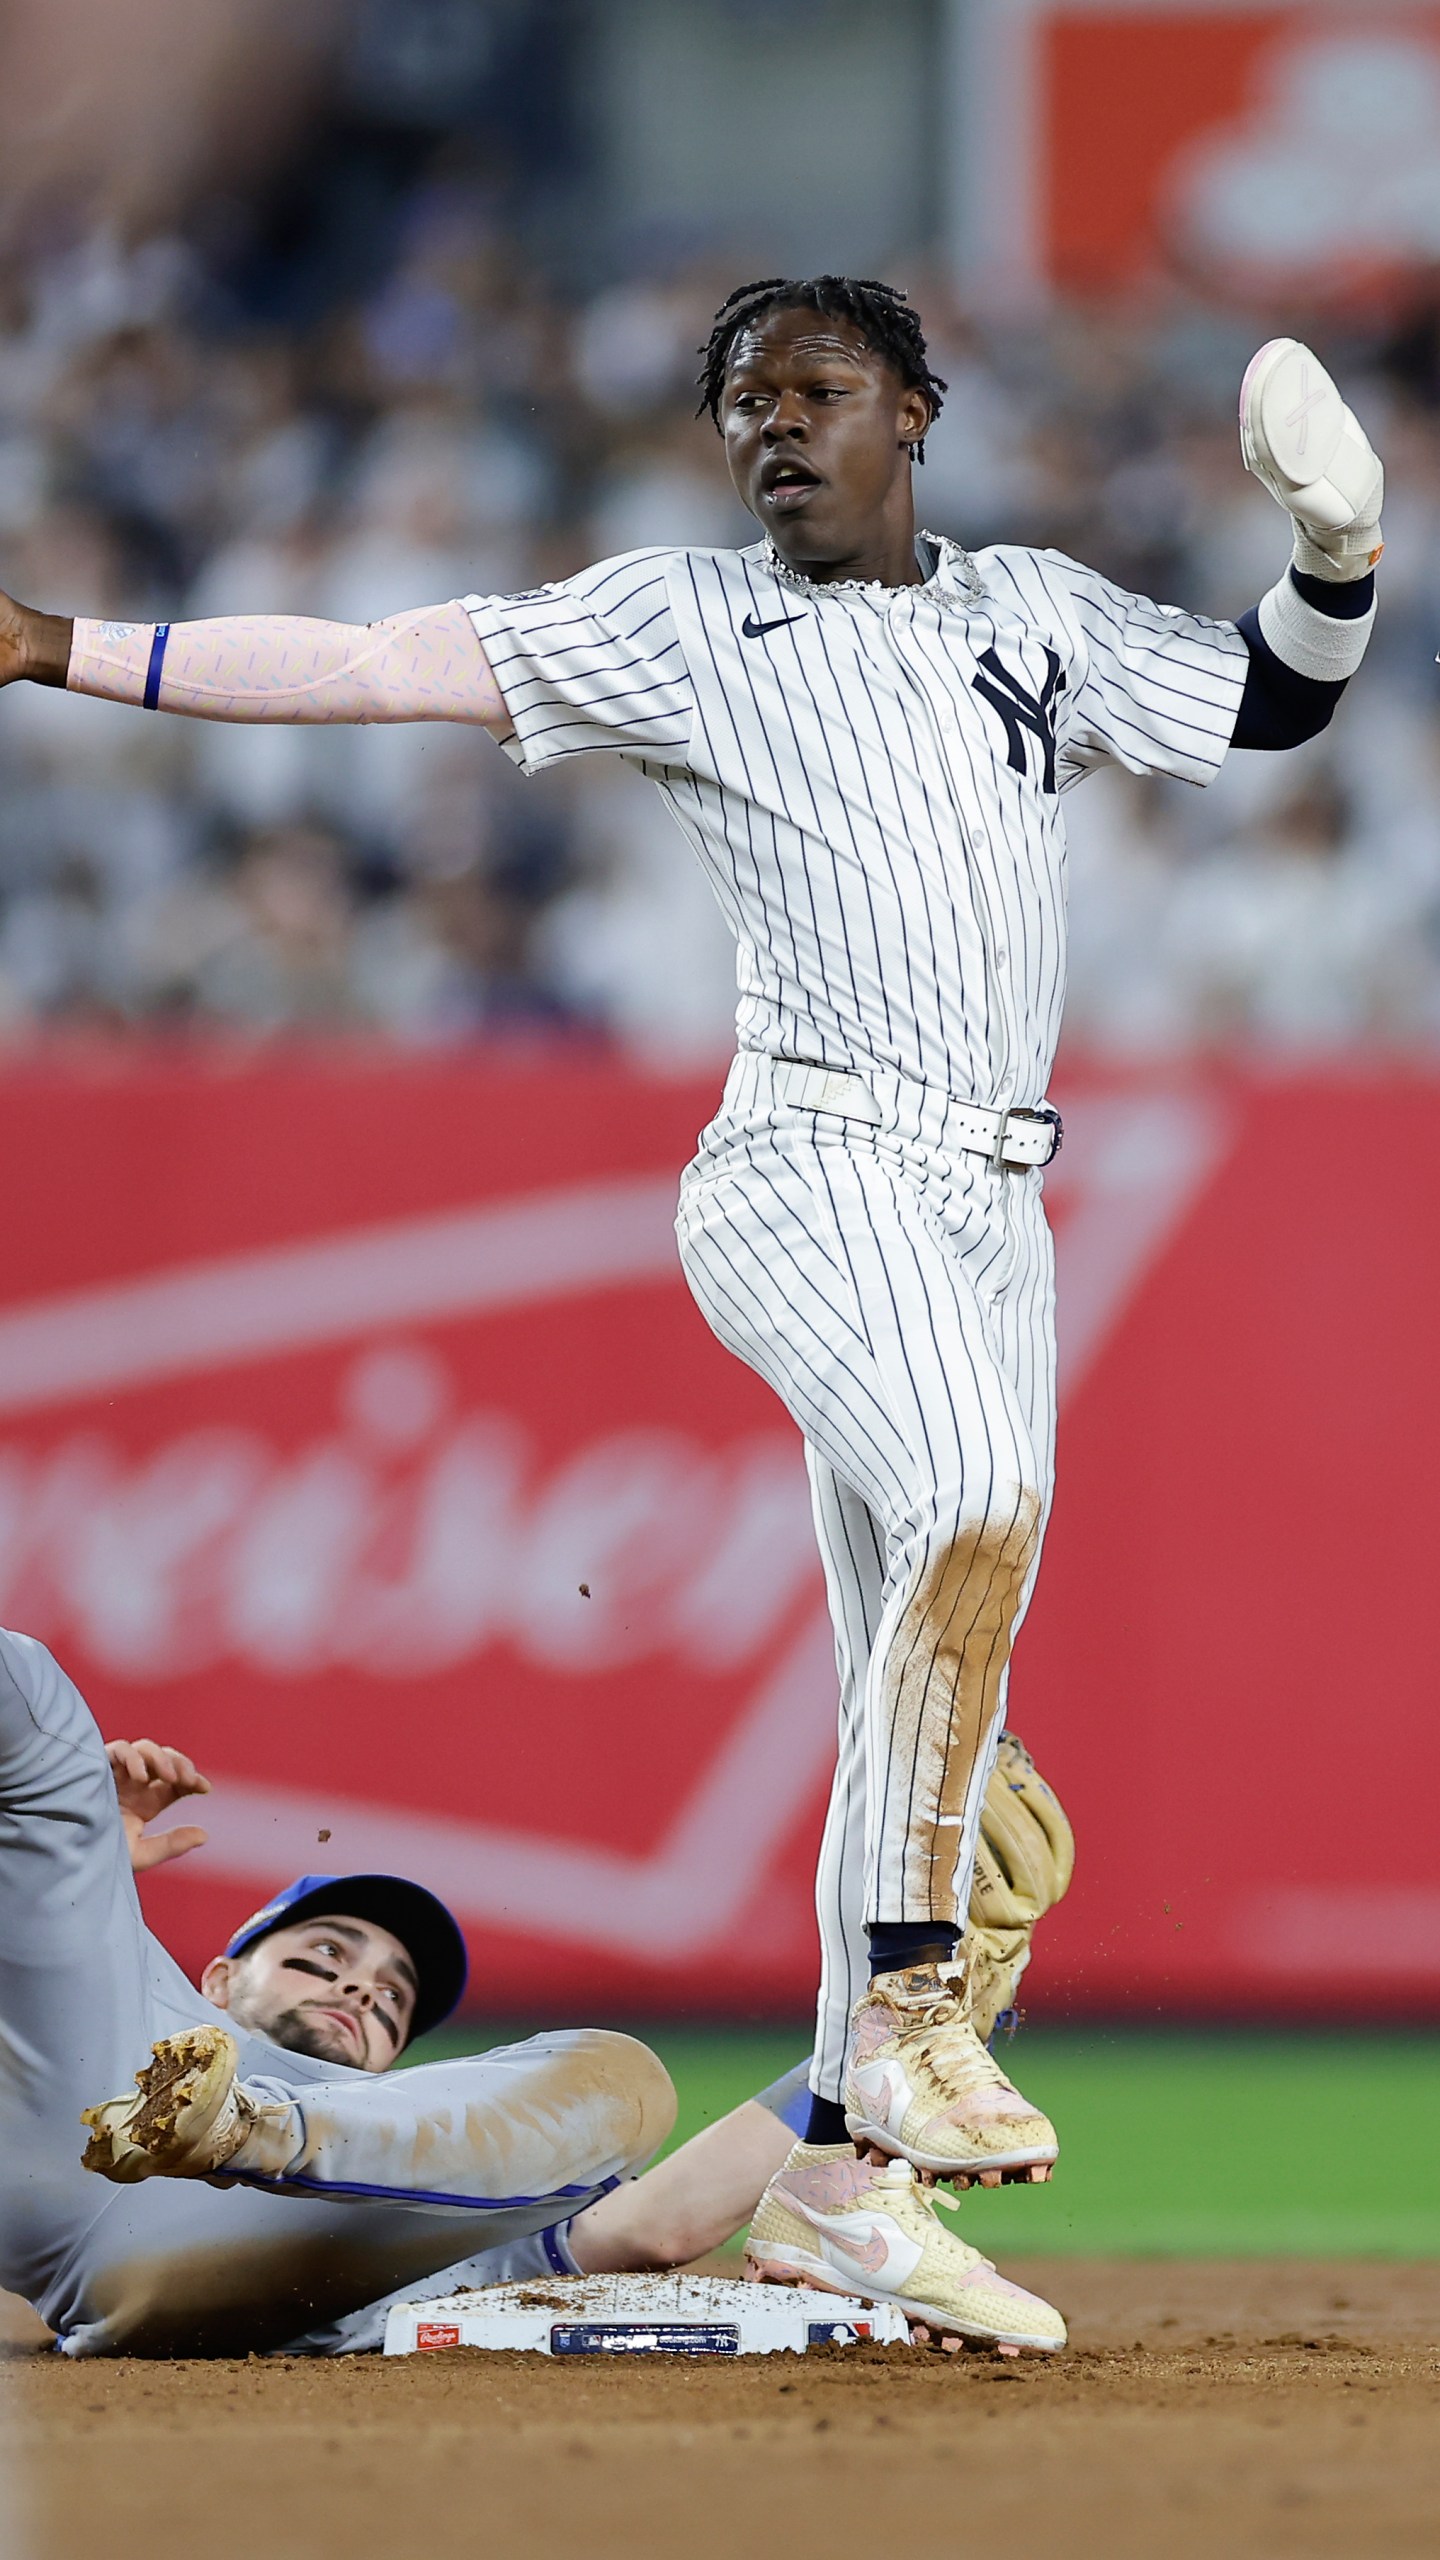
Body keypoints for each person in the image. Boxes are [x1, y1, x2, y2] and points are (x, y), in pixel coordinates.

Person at [0, 291, 1382, 2318]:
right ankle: (909, 2006)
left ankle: (839, 2179)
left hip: (997, 1191)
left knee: (911, 1629)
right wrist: (60, 647)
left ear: (915, 408)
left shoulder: (1036, 610)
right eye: (746, 409)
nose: (774, 436)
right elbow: (385, 663)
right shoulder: (682, 618)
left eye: (814, 396)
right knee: (976, 1505)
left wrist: (1338, 545)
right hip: (808, 1158)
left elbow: (1270, 705)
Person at [1, 1628, 1074, 2356]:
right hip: (92, 2093)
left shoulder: (424, 2173)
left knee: (623, 2080)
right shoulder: (119, 1977)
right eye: (325, 1954)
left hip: (214, 2260)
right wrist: (68, 1871)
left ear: (394, 2069)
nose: (357, 1987)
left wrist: (932, 2012)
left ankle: (248, 2128)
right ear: (222, 1974)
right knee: (33, 1696)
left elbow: (654, 2227)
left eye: (389, 1997)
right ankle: (229, 2115)